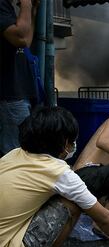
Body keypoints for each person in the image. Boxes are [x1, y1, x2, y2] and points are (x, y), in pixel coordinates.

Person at [0, 106, 109, 247]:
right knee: (72, 204)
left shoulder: (12, 155)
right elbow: (104, 218)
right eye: (72, 140)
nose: (73, 145)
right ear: (64, 143)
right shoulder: (59, 172)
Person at [0, 0, 38, 156]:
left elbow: (26, 41)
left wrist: (33, 10)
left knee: (20, 151)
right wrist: (27, 3)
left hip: (18, 95)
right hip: (10, 96)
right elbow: (21, 37)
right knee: (13, 153)